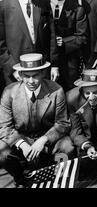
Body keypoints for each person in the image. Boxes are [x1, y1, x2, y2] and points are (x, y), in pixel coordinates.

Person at [0, 53, 73, 187]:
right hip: (22, 139)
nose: (31, 81)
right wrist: (22, 144)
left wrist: (44, 140)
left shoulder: (56, 90)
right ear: (20, 75)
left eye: (35, 76)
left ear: (43, 73)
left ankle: (56, 178)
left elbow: (63, 123)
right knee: (2, 152)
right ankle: (22, 179)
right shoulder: (9, 92)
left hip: (48, 140)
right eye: (27, 76)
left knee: (67, 147)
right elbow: (5, 127)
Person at [0, 0, 59, 85]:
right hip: (16, 75)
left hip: (42, 70)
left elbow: (52, 37)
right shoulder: (4, 8)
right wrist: (13, 69)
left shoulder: (44, 4)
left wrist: (54, 65)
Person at [41, 0, 88, 91]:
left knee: (69, 92)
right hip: (45, 60)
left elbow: (82, 36)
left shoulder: (77, 9)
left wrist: (65, 42)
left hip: (69, 62)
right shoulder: (40, 6)